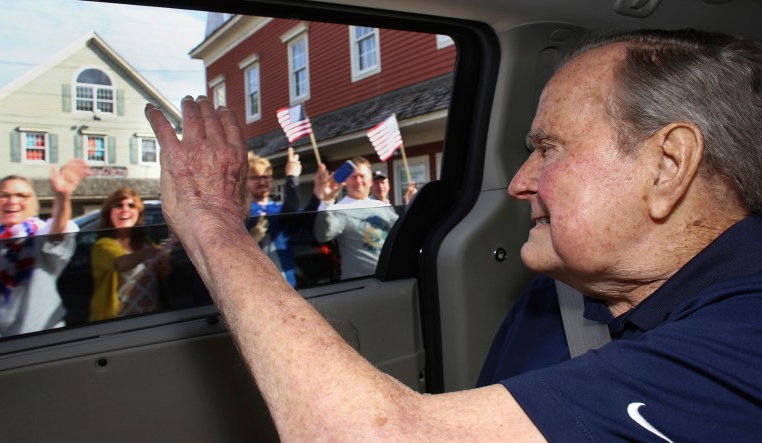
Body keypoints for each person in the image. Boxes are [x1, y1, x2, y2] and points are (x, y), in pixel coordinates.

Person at [146, 28, 762, 441]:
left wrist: (211, 221)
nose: (520, 184)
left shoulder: (746, 342)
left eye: (549, 149)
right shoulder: (557, 299)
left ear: (668, 167)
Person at [0, 159, 87, 338]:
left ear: (33, 205)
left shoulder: (39, 236)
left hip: (41, 339)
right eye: (3, 195)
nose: (12, 200)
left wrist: (62, 196)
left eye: (22, 195)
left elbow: (57, 234)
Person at [89, 188, 173, 321]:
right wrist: (150, 252)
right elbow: (120, 263)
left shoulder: (145, 241)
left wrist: (164, 267)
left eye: (131, 205)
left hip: (152, 318)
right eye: (118, 205)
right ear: (108, 213)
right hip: (117, 324)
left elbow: (159, 276)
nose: (125, 209)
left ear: (138, 213)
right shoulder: (103, 245)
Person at [313, 157, 399, 279]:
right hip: (360, 284)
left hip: (391, 278)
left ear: (370, 181)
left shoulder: (382, 206)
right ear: (345, 181)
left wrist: (413, 203)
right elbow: (323, 234)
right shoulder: (339, 209)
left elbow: (403, 231)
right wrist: (326, 201)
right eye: (353, 177)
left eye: (362, 176)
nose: (358, 181)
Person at [246, 148, 303, 287]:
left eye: (265, 177)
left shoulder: (278, 209)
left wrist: (321, 198)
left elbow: (295, 215)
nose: (261, 181)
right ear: (245, 181)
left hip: (287, 284)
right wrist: (250, 239)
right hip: (254, 286)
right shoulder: (241, 212)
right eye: (255, 177)